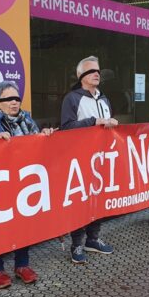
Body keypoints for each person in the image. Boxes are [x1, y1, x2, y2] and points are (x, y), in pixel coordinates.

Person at [0, 81, 54, 288]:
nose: (14, 102)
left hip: (24, 181)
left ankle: (22, 265)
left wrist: (45, 136)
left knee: (23, 224)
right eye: (8, 99)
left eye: (17, 98)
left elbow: (37, 145)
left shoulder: (27, 119)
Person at [61, 55, 117, 264]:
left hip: (102, 158)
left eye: (98, 70)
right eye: (91, 71)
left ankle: (92, 239)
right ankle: (77, 244)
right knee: (80, 202)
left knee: (98, 200)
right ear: (80, 76)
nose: (96, 74)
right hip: (80, 159)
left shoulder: (104, 98)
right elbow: (66, 127)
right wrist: (94, 121)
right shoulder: (72, 98)